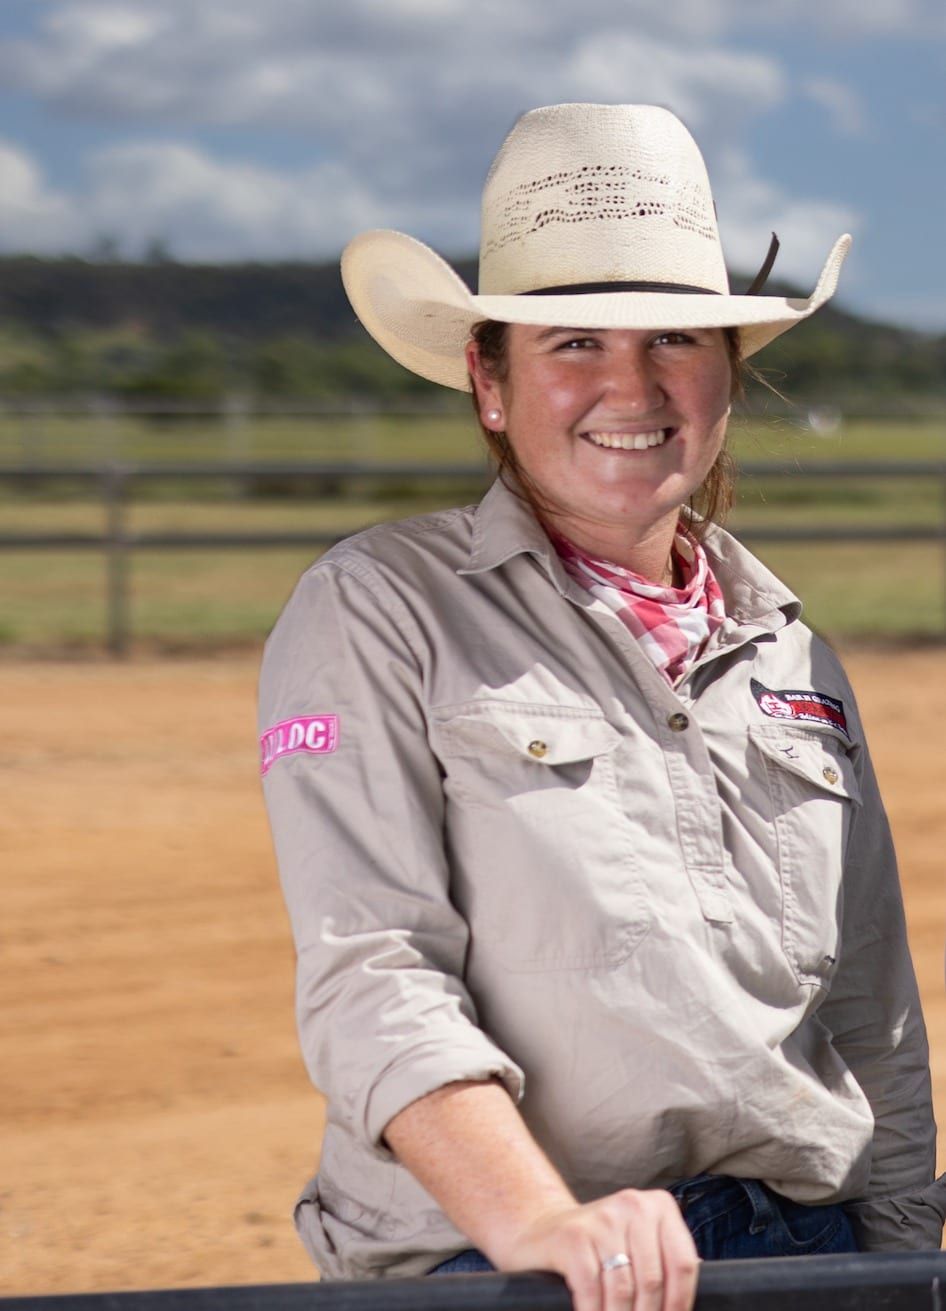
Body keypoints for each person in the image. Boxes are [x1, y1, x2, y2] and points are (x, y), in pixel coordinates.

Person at [259, 104, 946, 1311]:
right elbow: (374, 975)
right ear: (489, 378)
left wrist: (899, 1260)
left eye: (674, 336)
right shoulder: (378, 610)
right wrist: (544, 1229)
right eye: (572, 341)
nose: (629, 385)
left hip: (804, 1250)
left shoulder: (794, 651)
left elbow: (869, 1010)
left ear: (727, 371)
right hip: (517, 1262)